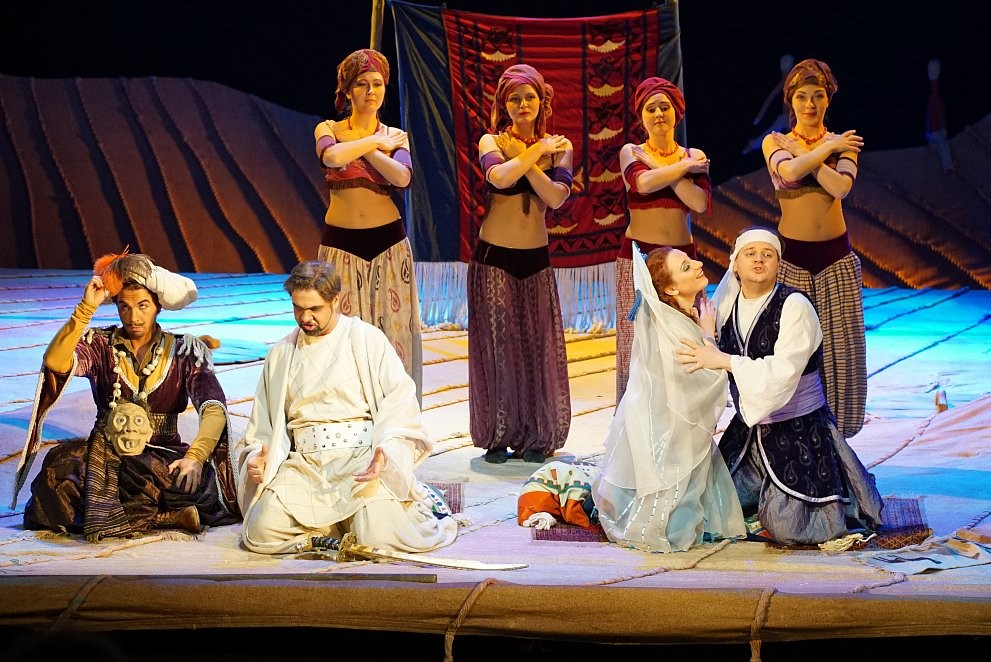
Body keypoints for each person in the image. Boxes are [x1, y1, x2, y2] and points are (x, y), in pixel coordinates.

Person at [235, 260, 459, 555]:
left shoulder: (366, 339)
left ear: (336, 301)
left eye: (314, 309)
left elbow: (399, 400)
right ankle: (335, 531)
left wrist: (386, 450)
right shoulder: (281, 353)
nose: (305, 317)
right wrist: (257, 457)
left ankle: (373, 515)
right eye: (298, 308)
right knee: (260, 531)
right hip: (305, 468)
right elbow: (263, 426)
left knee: (380, 538)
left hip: (359, 462)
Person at [12, 252, 241, 540]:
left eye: (142, 306)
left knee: (188, 482)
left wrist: (195, 457)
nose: (133, 317)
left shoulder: (185, 351)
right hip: (105, 452)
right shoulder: (100, 345)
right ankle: (164, 518)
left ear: (158, 306)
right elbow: (56, 362)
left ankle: (138, 514)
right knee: (57, 476)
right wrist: (85, 309)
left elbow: (213, 407)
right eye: (124, 306)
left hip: (161, 455)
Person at [678, 228, 883, 546]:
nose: (758, 259)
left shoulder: (795, 305)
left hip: (799, 429)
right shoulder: (725, 307)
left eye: (767, 254)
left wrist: (725, 360)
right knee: (709, 507)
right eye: (750, 253)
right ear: (735, 264)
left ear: (778, 264)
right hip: (748, 432)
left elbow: (782, 372)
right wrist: (706, 335)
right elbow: (707, 361)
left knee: (791, 527)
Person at [589, 244, 746, 553]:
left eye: (690, 261)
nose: (698, 264)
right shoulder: (676, 330)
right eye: (686, 267)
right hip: (668, 441)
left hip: (669, 431)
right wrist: (709, 337)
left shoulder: (678, 317)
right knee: (674, 531)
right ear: (671, 289)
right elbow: (709, 383)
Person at [469, 63, 574, 465]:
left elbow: (556, 197)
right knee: (498, 349)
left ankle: (537, 435)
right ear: (503, 105)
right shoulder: (491, 140)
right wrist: (532, 153)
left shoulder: (559, 146)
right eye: (514, 98)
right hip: (494, 258)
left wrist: (529, 158)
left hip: (536, 261)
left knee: (537, 348)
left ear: (542, 101)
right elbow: (498, 177)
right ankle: (498, 436)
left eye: (529, 97)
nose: (522, 104)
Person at [761, 58, 866, 439]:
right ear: (791, 100)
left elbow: (840, 187)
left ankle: (838, 436)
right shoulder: (775, 142)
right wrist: (823, 151)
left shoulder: (844, 143)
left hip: (835, 259)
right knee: (793, 349)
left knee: (841, 352)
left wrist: (826, 148)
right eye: (802, 96)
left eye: (818, 96)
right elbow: (788, 172)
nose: (810, 104)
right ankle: (792, 434)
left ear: (828, 99)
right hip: (792, 260)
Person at [313, 48, 423, 401]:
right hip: (341, 248)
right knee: (340, 340)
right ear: (347, 90)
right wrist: (374, 142)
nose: (370, 91)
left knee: (392, 341)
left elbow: (402, 177)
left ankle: (393, 416)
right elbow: (331, 156)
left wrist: (368, 146)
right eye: (362, 84)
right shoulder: (328, 129)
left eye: (377, 83)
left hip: (389, 248)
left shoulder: (396, 136)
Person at [615, 77, 711, 404]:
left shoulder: (693, 155)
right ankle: (635, 417)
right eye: (651, 108)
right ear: (641, 116)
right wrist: (682, 169)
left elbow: (699, 202)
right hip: (639, 259)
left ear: (676, 113)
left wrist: (665, 164)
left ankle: (688, 413)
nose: (658, 114)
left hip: (683, 261)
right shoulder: (631, 152)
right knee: (637, 341)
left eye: (664, 107)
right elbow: (643, 184)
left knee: (685, 338)